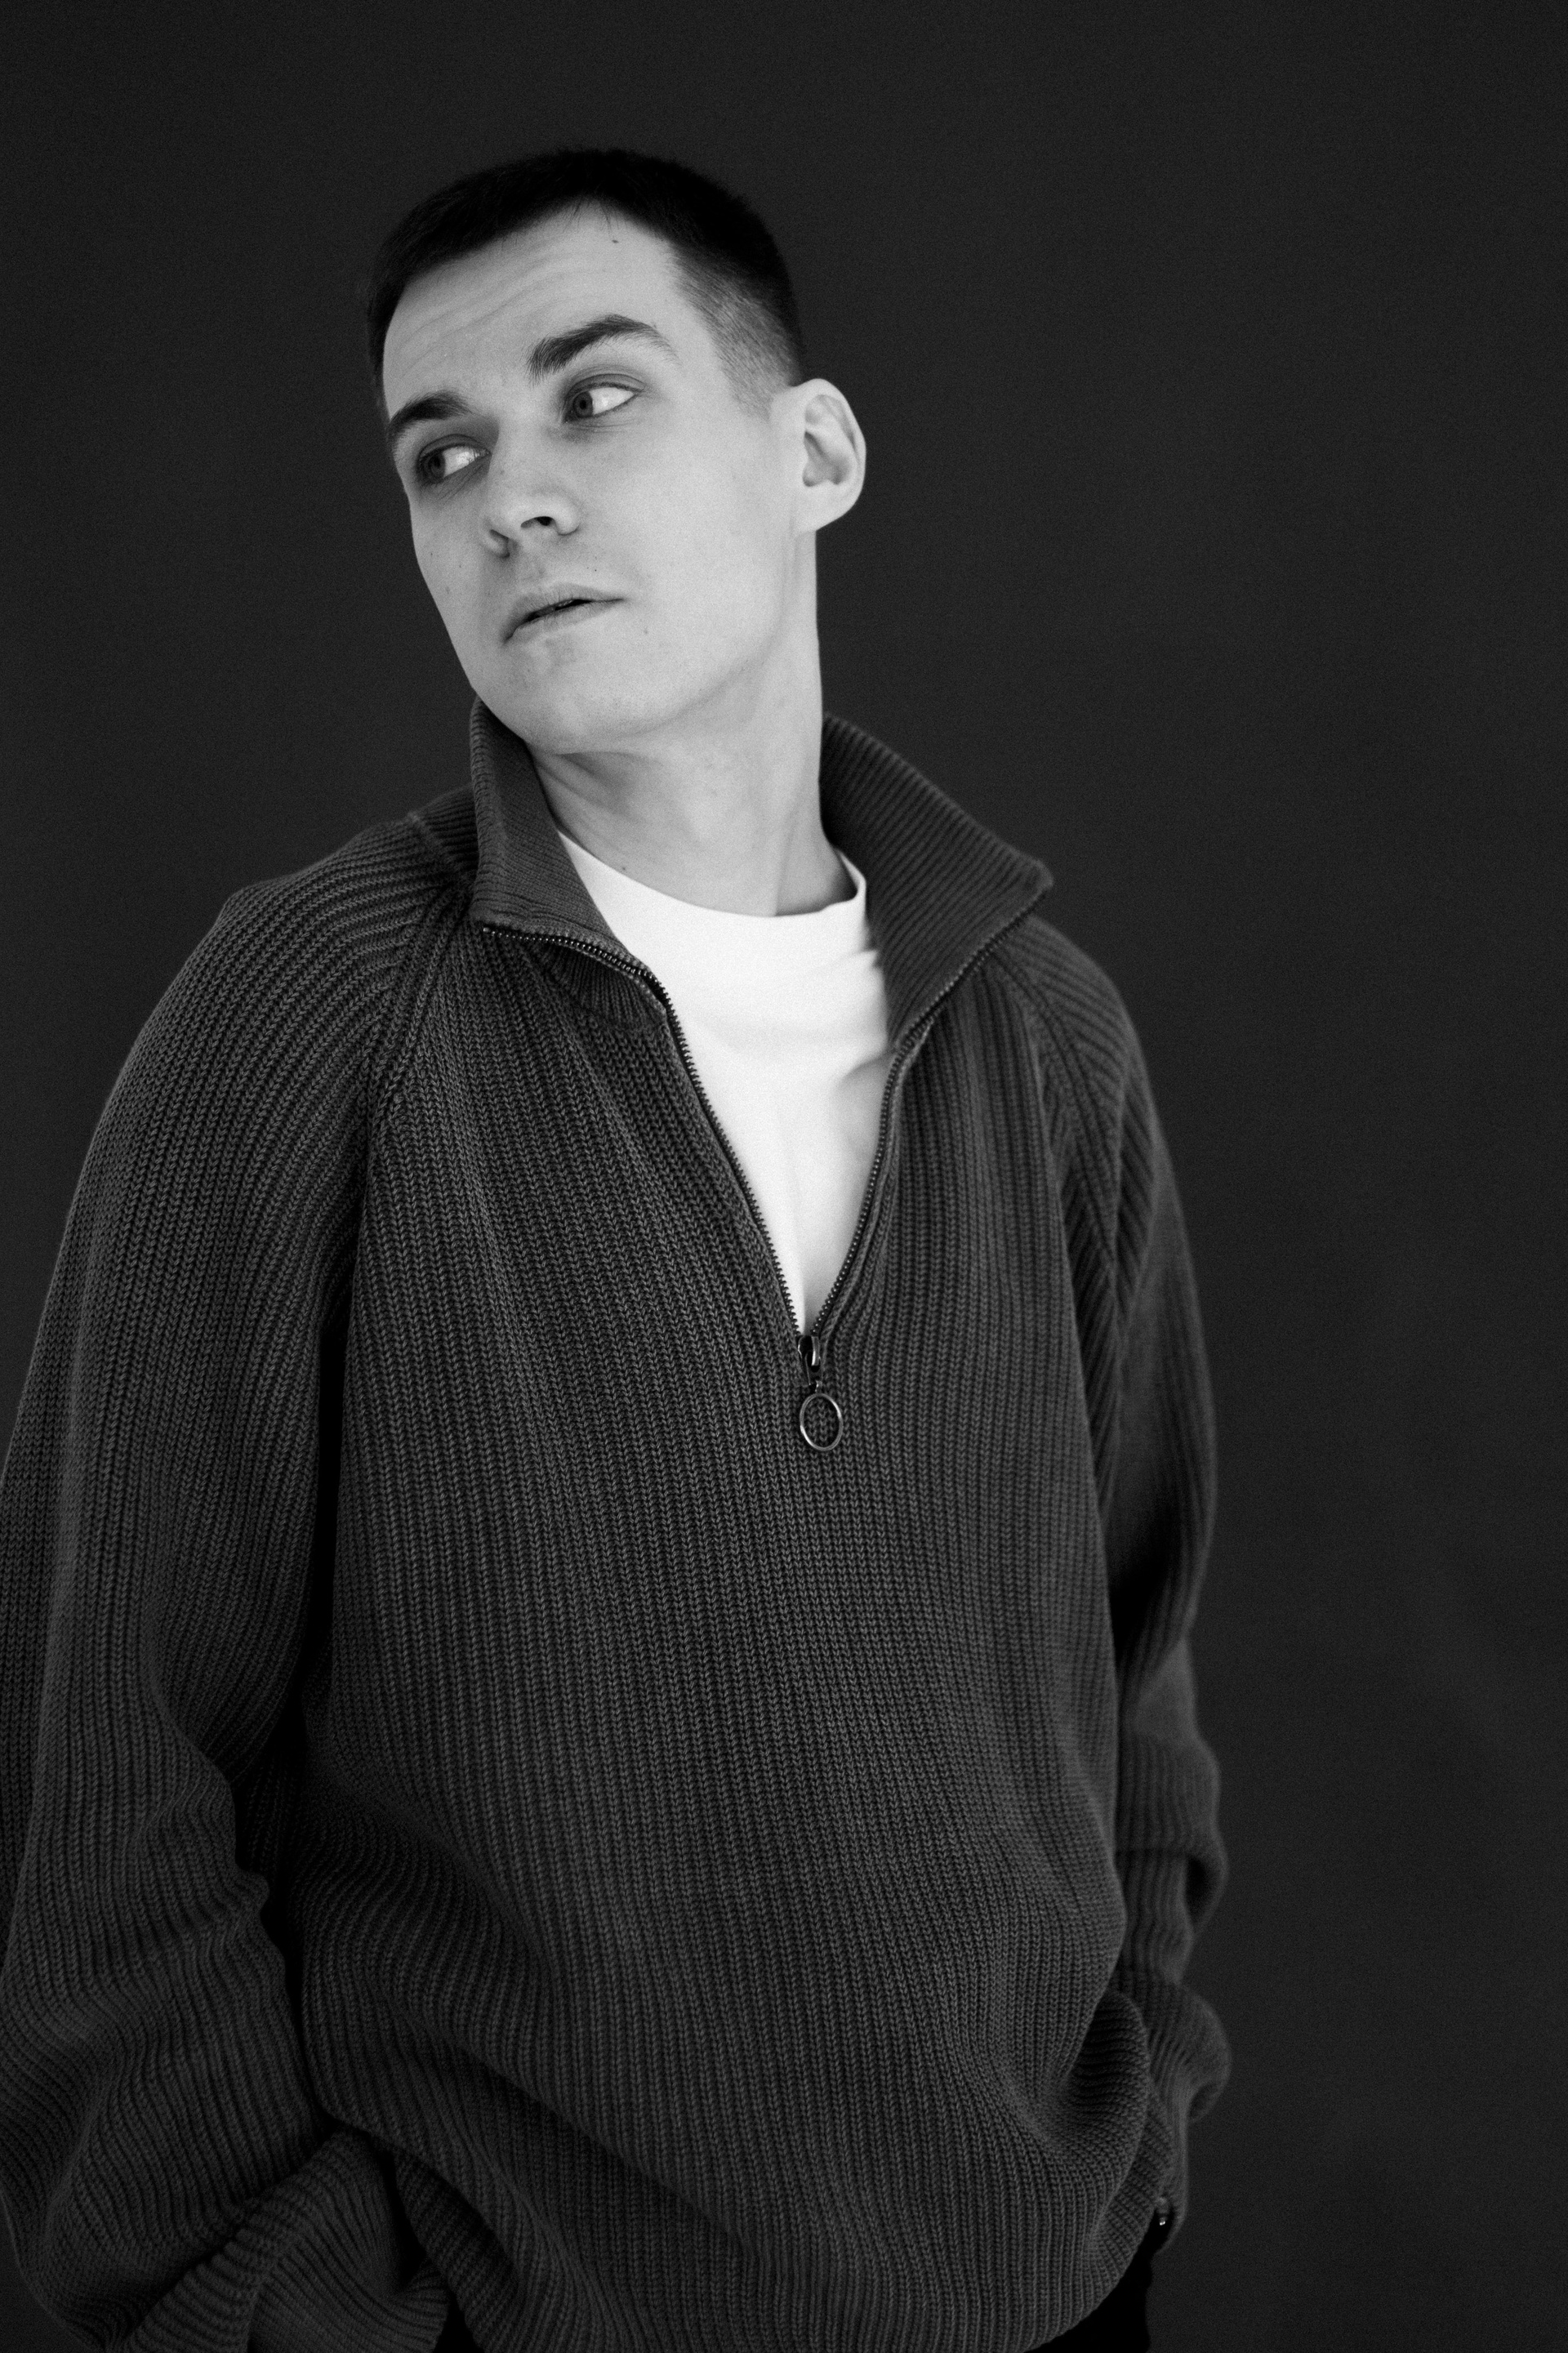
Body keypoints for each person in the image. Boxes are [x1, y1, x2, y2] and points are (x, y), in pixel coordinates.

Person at [0, 148, 1230, 2351]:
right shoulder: (304, 1019)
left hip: (1057, 2300)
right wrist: (300, 2315)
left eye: (595, 397)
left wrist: (1123, 2138)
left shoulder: (1047, 1041)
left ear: (814, 451)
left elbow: (1131, 1667)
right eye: (443, 454)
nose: (514, 499)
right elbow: (90, 1776)